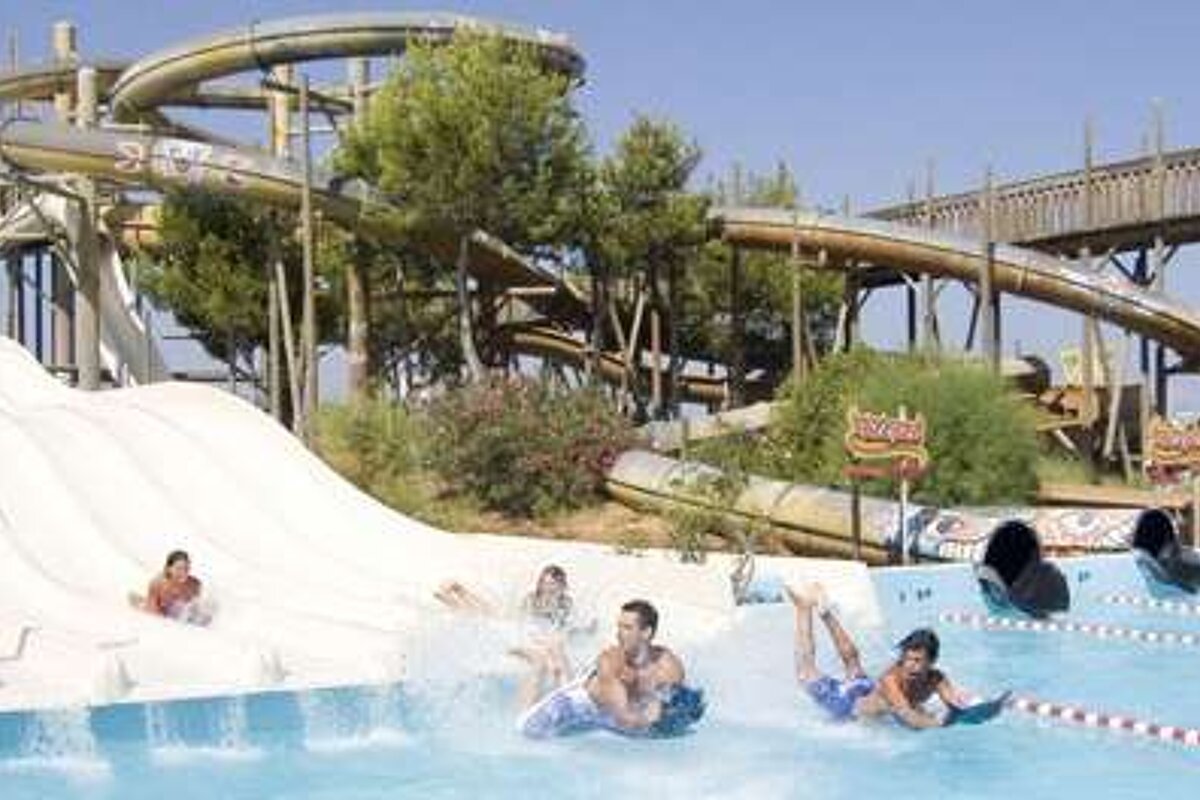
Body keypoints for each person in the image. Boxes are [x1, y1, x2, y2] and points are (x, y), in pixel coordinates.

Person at [787, 582, 968, 729]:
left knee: (853, 662)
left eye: (918, 660)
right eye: (907, 659)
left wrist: (970, 706)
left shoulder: (937, 678)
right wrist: (940, 724)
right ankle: (803, 608)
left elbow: (954, 701)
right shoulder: (891, 680)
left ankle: (825, 613)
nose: (910, 665)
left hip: (864, 688)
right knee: (806, 671)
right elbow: (908, 717)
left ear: (932, 661)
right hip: (845, 704)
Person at [517, 598, 704, 738]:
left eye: (627, 628)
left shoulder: (669, 666)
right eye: (619, 626)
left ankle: (557, 655)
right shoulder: (610, 661)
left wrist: (677, 714)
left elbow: (676, 705)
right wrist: (652, 717)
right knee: (524, 728)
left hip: (606, 716)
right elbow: (624, 718)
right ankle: (538, 664)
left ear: (646, 632)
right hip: (578, 706)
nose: (618, 634)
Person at [130, 550, 211, 626]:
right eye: (178, 568)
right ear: (169, 569)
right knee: (143, 604)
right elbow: (154, 613)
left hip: (181, 613)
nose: (183, 572)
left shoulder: (194, 584)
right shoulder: (158, 583)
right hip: (160, 612)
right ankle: (137, 600)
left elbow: (197, 607)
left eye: (186, 568)